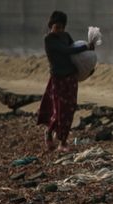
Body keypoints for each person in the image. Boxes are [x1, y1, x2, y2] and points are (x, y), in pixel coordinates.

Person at [38, 10, 92, 152]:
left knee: (70, 108)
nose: (59, 30)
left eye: (62, 27)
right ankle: (49, 132)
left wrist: (88, 65)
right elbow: (67, 51)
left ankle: (63, 141)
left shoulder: (66, 36)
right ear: (51, 25)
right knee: (59, 109)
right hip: (58, 79)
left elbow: (76, 54)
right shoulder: (49, 40)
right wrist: (86, 46)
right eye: (57, 27)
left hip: (71, 77)